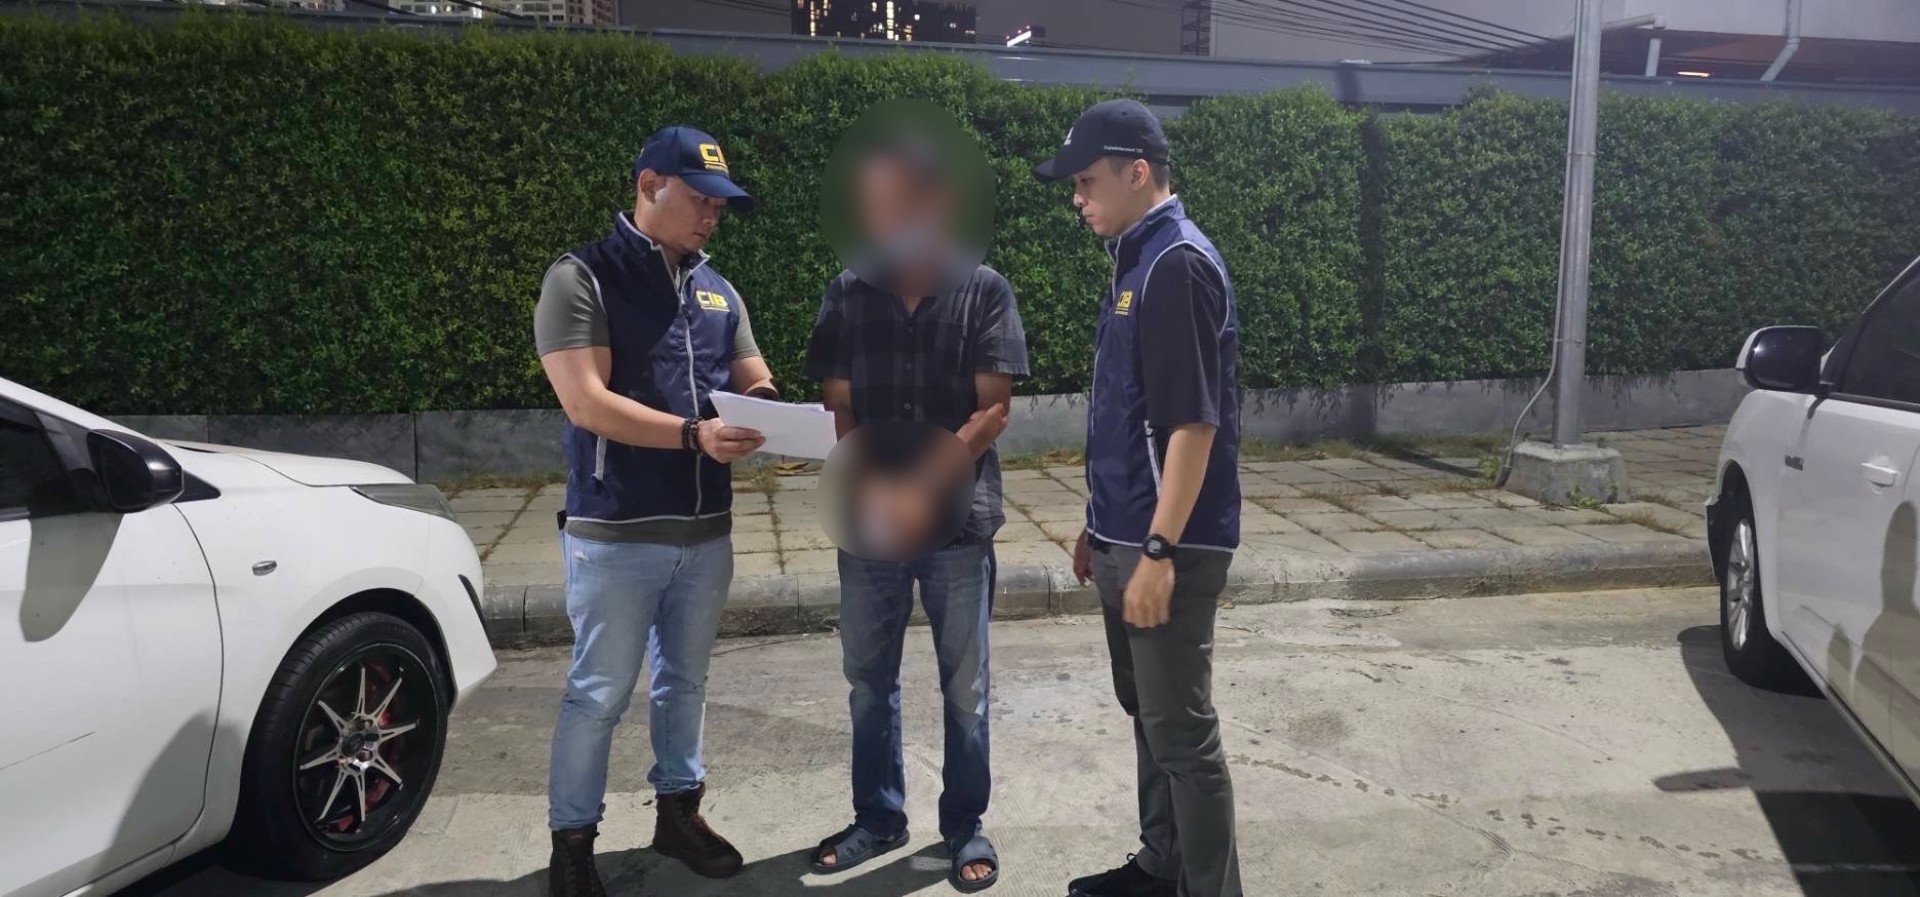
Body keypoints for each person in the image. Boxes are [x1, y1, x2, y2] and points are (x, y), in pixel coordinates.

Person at [533, 124, 775, 895]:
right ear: (648, 185)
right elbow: (586, 402)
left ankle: (678, 812)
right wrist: (695, 434)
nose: (712, 216)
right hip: (617, 528)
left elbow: (753, 371)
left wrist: (769, 407)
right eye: (700, 200)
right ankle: (572, 845)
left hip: (705, 532)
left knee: (685, 683)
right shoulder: (581, 277)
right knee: (597, 694)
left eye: (720, 206)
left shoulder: (718, 289)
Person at [803, 137, 1029, 893]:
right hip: (869, 520)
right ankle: (879, 817)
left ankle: (965, 823)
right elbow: (838, 403)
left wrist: (920, 485)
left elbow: (992, 410)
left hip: (957, 524)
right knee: (869, 681)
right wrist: (872, 484)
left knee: (965, 688)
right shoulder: (846, 291)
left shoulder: (985, 290)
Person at [1032, 98, 1244, 897]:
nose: (1076, 198)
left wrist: (1157, 549)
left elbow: (1191, 425)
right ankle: (1162, 866)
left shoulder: (1174, 265)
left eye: (1086, 182)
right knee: (1150, 716)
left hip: (1171, 546)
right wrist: (1100, 525)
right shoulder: (1134, 259)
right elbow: (1128, 415)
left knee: (1183, 735)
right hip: (1128, 537)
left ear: (1138, 172)